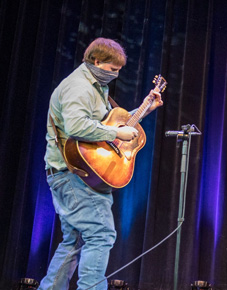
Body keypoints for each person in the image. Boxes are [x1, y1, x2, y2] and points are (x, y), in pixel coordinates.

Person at [40, 37, 163, 290]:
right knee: (101, 235)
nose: (116, 75)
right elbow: (77, 126)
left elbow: (109, 124)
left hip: (77, 174)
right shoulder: (79, 87)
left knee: (73, 241)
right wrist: (117, 134)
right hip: (74, 174)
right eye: (112, 70)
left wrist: (145, 109)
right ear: (96, 61)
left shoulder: (95, 86)